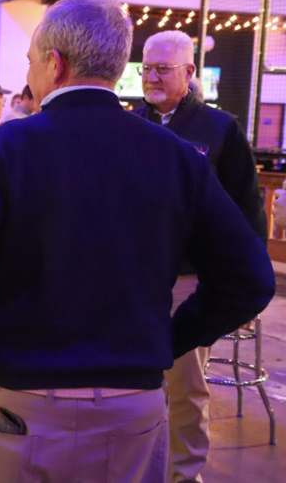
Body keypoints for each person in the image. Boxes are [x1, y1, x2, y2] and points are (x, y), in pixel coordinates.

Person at [0, 0, 274, 483]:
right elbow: (251, 277)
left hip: (22, 403)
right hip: (132, 405)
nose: (29, 74)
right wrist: (168, 341)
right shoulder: (176, 155)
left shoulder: (9, 148)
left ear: (54, 65)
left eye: (31, 61)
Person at [135, 29, 267, 483]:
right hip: (133, 279)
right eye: (146, 68)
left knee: (185, 389)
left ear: (189, 73)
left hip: (187, 281)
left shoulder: (219, 129)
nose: (151, 77)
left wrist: (243, 288)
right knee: (133, 385)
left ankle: (183, 475)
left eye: (162, 69)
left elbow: (247, 214)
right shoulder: (132, 123)